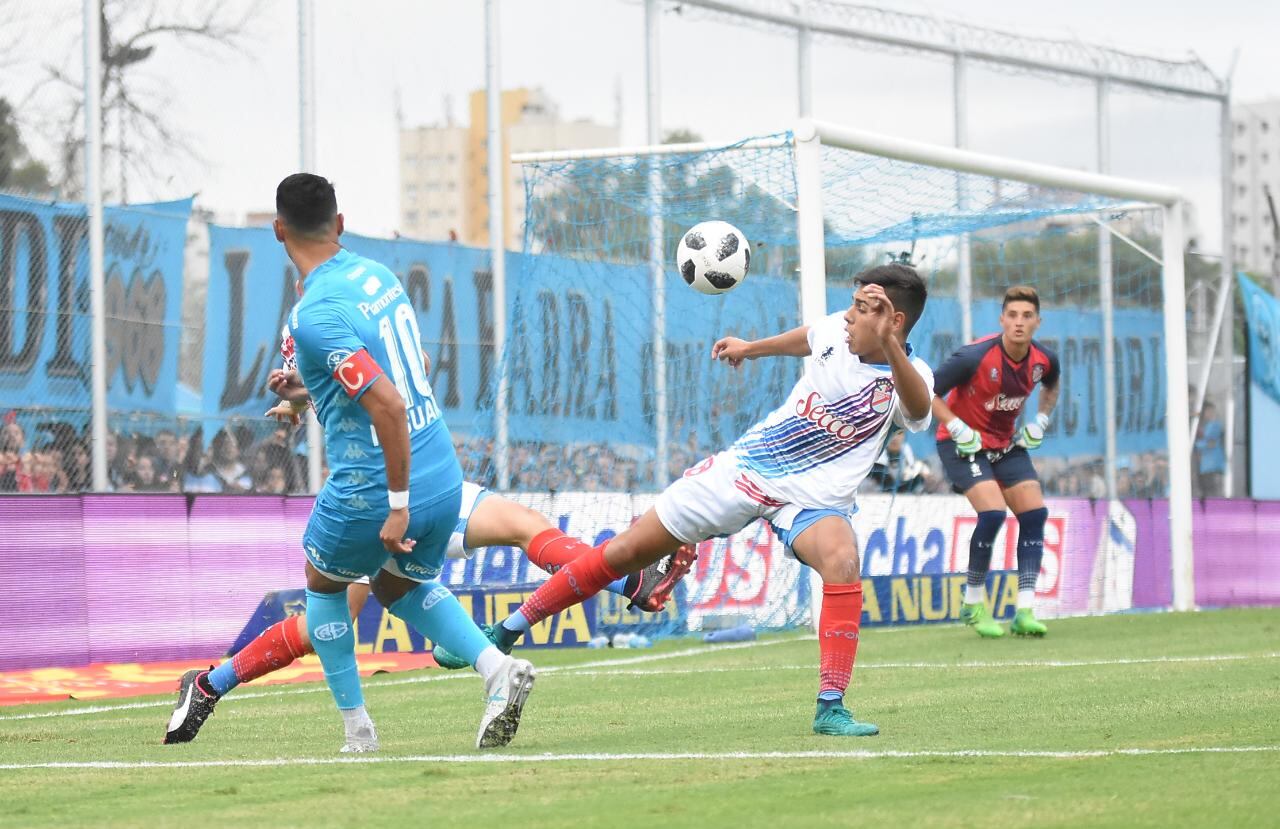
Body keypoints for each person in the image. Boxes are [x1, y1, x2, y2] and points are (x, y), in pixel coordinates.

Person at [436, 263, 934, 738]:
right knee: (624, 553)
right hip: (747, 468)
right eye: (850, 305)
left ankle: (831, 705)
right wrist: (752, 348)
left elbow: (916, 410)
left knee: (843, 560)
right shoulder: (835, 331)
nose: (847, 316)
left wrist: (891, 348)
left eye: (862, 309)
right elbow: (807, 337)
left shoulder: (912, 376)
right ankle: (506, 629)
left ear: (895, 321)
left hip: (811, 499)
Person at [161, 348, 693, 745]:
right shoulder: (319, 318)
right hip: (377, 491)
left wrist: (298, 397)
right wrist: (298, 396)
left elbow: (355, 381)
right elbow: (348, 389)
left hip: (427, 478)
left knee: (526, 524)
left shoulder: (355, 303)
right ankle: (211, 684)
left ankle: (629, 579)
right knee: (331, 618)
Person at [166, 173, 530, 753]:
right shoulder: (378, 276)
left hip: (375, 483)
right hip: (440, 466)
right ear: (339, 223)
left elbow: (385, 401)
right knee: (399, 588)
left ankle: (357, 729)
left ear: (279, 230)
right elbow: (406, 371)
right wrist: (307, 389)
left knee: (322, 585)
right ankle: (495, 668)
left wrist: (396, 506)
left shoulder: (313, 314)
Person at [931, 285, 1060, 639]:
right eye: (1013, 315)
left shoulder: (1044, 360)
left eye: (1027, 316)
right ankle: (973, 602)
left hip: (1004, 445)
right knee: (992, 513)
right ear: (1002, 319)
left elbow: (1052, 385)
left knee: (1034, 514)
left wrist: (1041, 420)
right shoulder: (973, 356)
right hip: (962, 445)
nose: (1019, 322)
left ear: (1037, 322)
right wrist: (956, 426)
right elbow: (926, 390)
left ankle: (1025, 611)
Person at [1195, 401, 1225, 496]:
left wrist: (1198, 445)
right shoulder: (1205, 425)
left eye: (1211, 411)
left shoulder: (1215, 425)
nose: (1209, 413)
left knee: (1212, 492)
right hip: (1206, 466)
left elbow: (1210, 443)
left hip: (1213, 465)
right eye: (1207, 411)